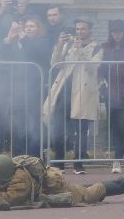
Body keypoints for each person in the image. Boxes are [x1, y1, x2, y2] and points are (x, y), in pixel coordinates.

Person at [44, 19, 103, 173]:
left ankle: (78, 163)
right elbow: (55, 63)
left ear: (89, 30)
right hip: (64, 91)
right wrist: (59, 46)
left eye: (83, 29)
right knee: (58, 129)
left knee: (81, 131)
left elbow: (92, 67)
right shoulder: (67, 44)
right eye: (77, 29)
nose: (79, 32)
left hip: (83, 93)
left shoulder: (97, 47)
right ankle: (59, 162)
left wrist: (80, 51)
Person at [0, 16, 52, 156]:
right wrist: (9, 39)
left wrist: (23, 38)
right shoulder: (18, 43)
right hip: (17, 90)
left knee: (34, 125)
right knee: (18, 125)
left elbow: (35, 54)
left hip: (34, 89)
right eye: (26, 26)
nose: (28, 28)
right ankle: (18, 156)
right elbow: (3, 56)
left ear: (39, 29)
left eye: (32, 26)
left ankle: (34, 156)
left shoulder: (43, 42)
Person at [99, 21, 124, 173]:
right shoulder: (105, 48)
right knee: (115, 128)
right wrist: (103, 86)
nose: (117, 35)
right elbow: (100, 69)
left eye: (120, 32)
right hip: (111, 94)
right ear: (110, 33)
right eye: (114, 32)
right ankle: (117, 160)